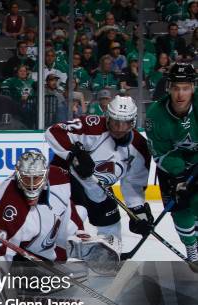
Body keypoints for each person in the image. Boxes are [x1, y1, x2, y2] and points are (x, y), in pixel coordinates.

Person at [0, 151, 120, 305]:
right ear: (18, 175)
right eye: (26, 178)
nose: (30, 185)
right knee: (69, 275)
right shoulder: (9, 210)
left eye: (35, 178)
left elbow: (67, 206)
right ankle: (22, 279)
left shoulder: (58, 176)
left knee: (73, 255)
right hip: (11, 245)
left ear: (45, 176)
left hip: (37, 234)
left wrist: (77, 231)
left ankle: (69, 245)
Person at [44, 95, 152, 250]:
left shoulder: (139, 147)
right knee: (74, 218)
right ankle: (52, 251)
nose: (119, 129)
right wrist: (75, 155)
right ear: (108, 118)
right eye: (115, 122)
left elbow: (133, 184)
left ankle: (107, 264)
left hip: (98, 188)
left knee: (112, 228)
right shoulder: (92, 125)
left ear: (133, 122)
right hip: (69, 179)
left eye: (125, 123)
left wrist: (138, 211)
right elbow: (53, 132)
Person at [145, 63, 198, 266]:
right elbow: (160, 153)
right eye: (176, 88)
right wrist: (180, 177)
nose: (180, 94)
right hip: (171, 168)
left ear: (193, 87)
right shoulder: (155, 115)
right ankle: (191, 247)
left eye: (185, 88)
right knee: (180, 208)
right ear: (169, 87)